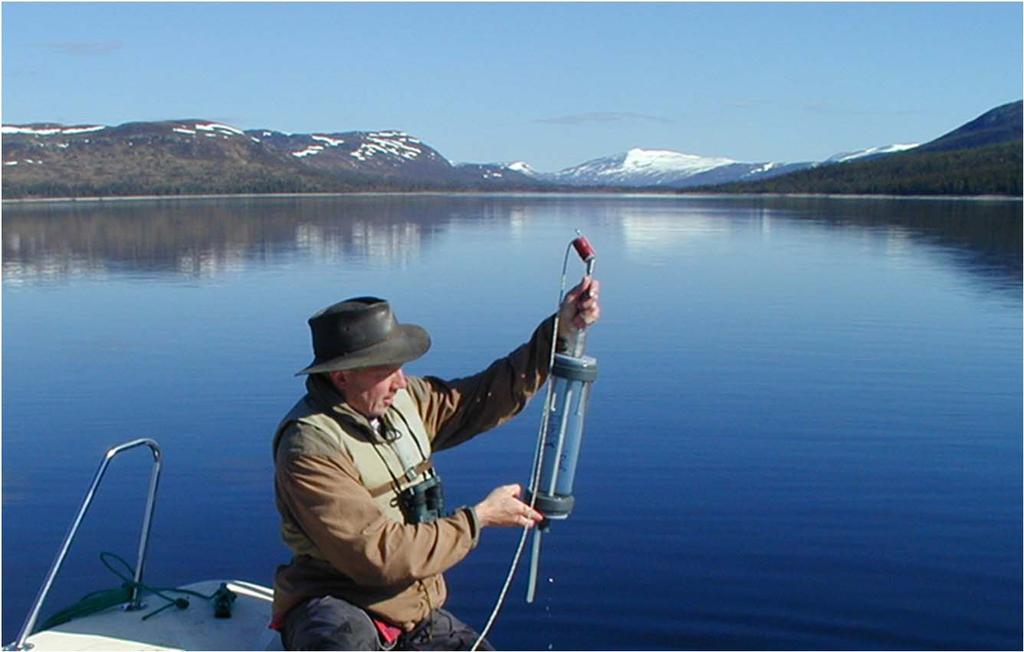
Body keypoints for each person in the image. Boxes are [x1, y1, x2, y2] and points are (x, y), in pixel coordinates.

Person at [271, 277, 601, 651]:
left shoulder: (406, 401)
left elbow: (481, 398)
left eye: (401, 367)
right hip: (334, 604)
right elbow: (378, 554)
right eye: (385, 370)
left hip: (410, 608)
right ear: (342, 376)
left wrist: (558, 332)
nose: (400, 381)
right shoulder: (310, 448)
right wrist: (479, 519)